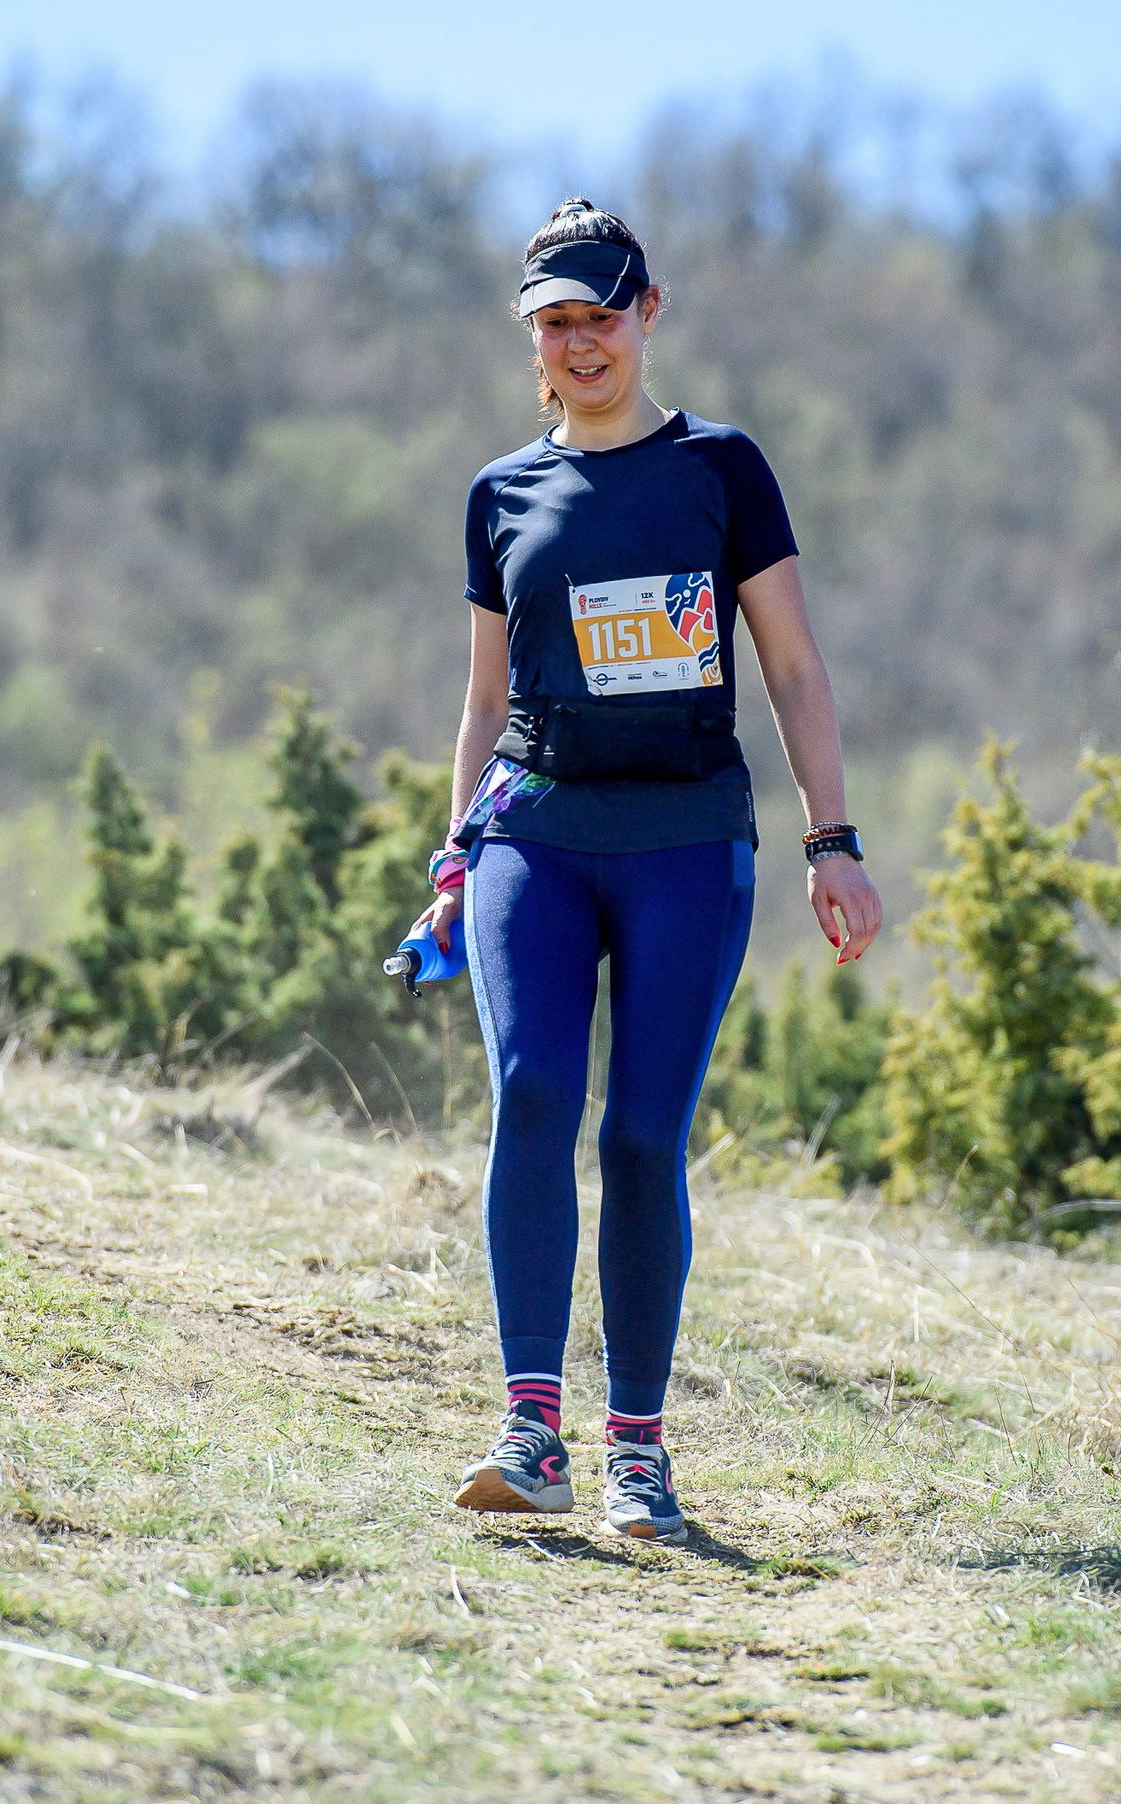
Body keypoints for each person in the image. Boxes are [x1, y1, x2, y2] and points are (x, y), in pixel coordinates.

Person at [425, 198, 881, 1542]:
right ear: (533, 339)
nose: (582, 344)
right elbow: (483, 700)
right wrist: (454, 855)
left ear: (648, 312)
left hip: (686, 842)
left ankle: (637, 1449)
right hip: (536, 835)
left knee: (638, 1135)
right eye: (556, 324)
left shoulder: (722, 470)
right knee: (531, 1093)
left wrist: (833, 841)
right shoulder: (500, 494)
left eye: (602, 317)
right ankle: (530, 1433)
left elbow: (791, 665)